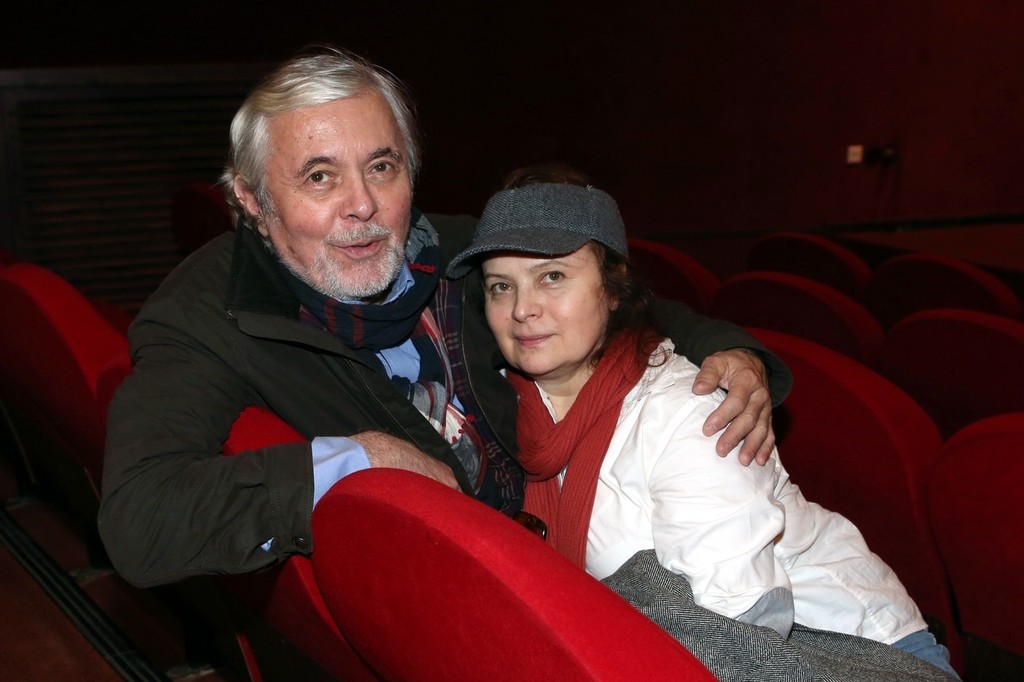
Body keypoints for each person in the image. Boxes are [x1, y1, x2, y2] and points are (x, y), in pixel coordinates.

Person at [97, 45, 791, 589]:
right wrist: (357, 461)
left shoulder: (465, 249)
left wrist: (731, 351)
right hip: (458, 593)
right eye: (320, 176)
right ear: (252, 200)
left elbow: (625, 302)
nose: (362, 205)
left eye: (382, 167)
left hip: (569, 538)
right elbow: (141, 520)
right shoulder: (205, 316)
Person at [445, 172, 959, 679]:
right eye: (501, 287)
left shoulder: (691, 416)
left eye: (552, 277)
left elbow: (739, 638)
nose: (522, 309)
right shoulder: (500, 403)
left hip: (841, 655)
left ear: (614, 289)